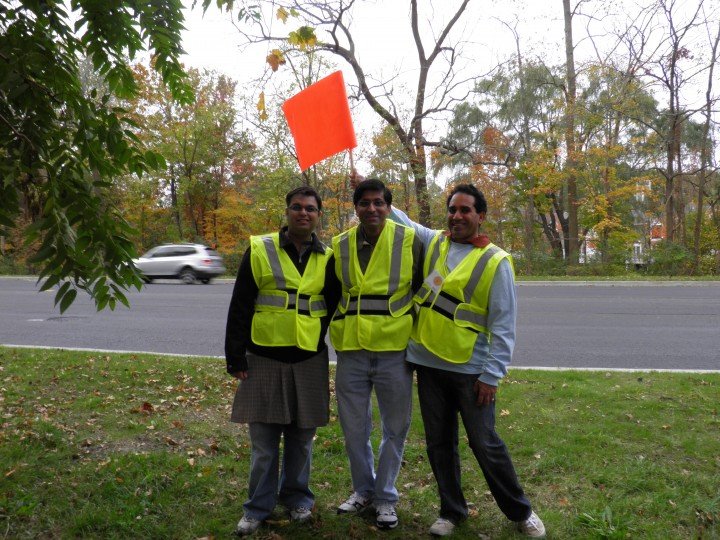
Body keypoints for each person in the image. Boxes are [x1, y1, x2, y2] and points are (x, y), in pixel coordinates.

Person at [390, 184, 546, 537]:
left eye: (465, 210)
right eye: (452, 209)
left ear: (480, 216)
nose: (457, 216)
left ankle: (520, 511)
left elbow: (504, 325)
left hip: (471, 371)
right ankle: (452, 511)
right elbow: (403, 221)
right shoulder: (435, 242)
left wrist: (492, 375)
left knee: (484, 443)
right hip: (428, 364)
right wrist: (370, 191)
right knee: (439, 443)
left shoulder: (496, 261)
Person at [225, 186, 339, 536]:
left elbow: (332, 304)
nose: (304, 213)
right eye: (297, 207)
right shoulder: (261, 248)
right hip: (263, 357)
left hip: (309, 359)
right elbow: (241, 303)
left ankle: (297, 499)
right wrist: (235, 355)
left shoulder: (328, 257)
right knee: (264, 444)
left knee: (302, 440)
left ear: (319, 215)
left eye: (310, 209)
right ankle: (257, 507)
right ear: (287, 212)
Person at [329, 178, 423, 530]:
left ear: (388, 206)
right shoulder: (339, 244)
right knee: (354, 429)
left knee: (394, 429)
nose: (372, 209)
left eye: (378, 202)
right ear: (355, 207)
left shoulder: (409, 240)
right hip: (351, 351)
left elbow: (422, 289)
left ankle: (385, 497)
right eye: (364, 202)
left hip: (394, 352)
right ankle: (363, 490)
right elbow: (331, 293)